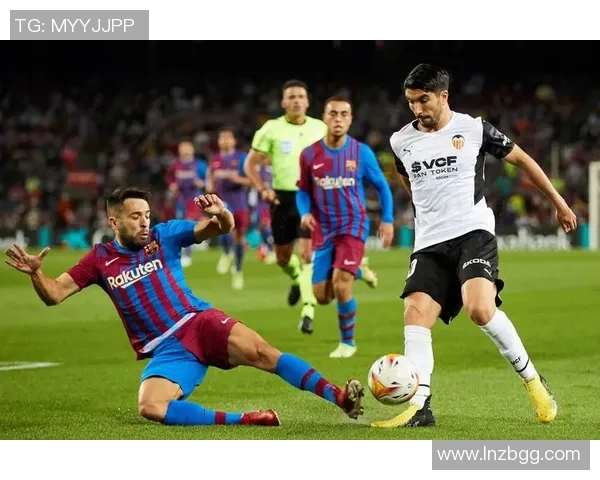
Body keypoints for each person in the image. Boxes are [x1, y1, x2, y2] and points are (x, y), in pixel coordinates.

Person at [4, 187, 365, 427]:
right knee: (150, 406)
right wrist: (36, 274)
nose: (144, 221)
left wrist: (222, 213)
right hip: (168, 350)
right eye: (135, 216)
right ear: (114, 222)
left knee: (264, 353)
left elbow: (220, 228)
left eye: (146, 214)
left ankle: (339, 396)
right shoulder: (99, 260)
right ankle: (249, 420)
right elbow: (54, 294)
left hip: (198, 322)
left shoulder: (166, 234)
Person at [371, 64, 577, 428]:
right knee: (415, 314)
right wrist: (426, 213)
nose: (417, 109)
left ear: (443, 96)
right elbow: (409, 181)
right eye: (410, 102)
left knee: (480, 309)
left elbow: (522, 159)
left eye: (423, 100)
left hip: (472, 233)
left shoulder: (474, 129)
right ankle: (420, 407)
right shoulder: (401, 141)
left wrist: (558, 203)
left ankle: (533, 381)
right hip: (429, 241)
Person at [296, 96, 394, 358]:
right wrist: (304, 213)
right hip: (324, 229)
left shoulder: (361, 153)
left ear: (350, 120)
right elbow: (302, 190)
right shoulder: (309, 155)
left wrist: (387, 219)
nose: (338, 119)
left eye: (343, 114)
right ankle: (359, 270)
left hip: (353, 226)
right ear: (324, 117)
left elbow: (382, 187)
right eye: (333, 113)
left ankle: (347, 343)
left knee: (341, 285)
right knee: (321, 295)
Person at [244, 79, 327, 334]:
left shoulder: (320, 128)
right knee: (282, 258)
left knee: (307, 255)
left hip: (310, 198)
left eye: (300, 96)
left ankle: (308, 311)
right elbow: (250, 164)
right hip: (282, 199)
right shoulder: (271, 128)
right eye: (291, 97)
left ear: (307, 101)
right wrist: (263, 189)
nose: (296, 101)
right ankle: (297, 279)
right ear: (283, 102)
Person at [206, 127, 250, 290]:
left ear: (233, 141)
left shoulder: (242, 158)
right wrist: (210, 186)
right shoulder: (215, 160)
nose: (225, 141)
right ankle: (226, 253)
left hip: (240, 203)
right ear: (218, 142)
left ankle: (237, 270)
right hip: (222, 202)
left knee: (239, 237)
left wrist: (238, 179)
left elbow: (251, 181)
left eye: (228, 138)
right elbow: (210, 181)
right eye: (222, 138)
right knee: (223, 229)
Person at [166, 141, 208, 268]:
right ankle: (184, 252)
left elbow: (208, 178)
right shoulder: (175, 164)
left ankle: (188, 254)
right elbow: (169, 177)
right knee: (180, 225)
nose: (185, 151)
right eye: (182, 149)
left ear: (192, 150)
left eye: (187, 149)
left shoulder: (199, 164)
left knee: (188, 224)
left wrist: (202, 183)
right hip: (180, 199)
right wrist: (172, 185)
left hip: (194, 200)